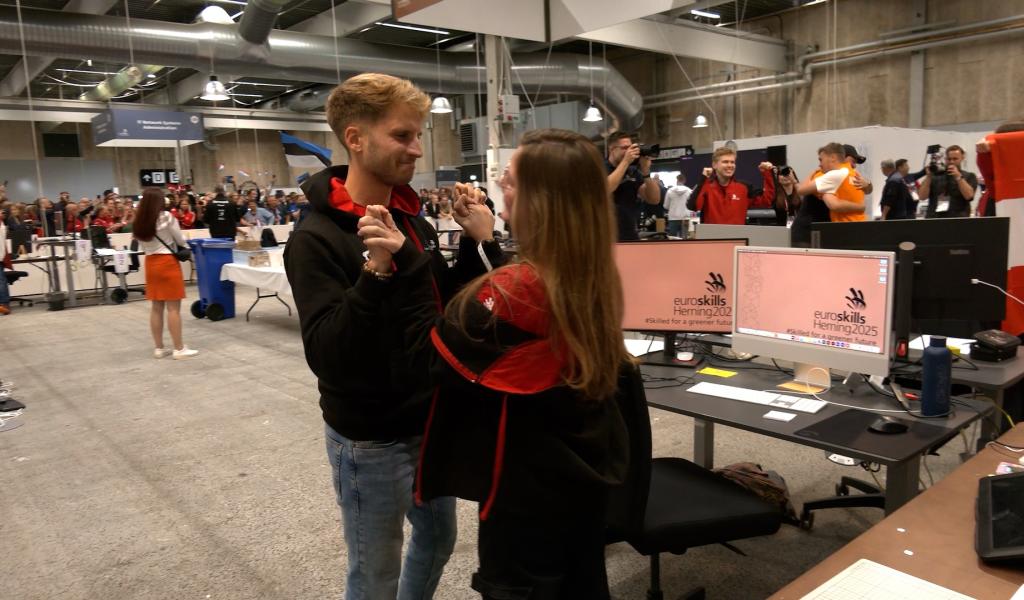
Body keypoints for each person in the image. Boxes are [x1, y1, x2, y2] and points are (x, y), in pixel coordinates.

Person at [361, 128, 633, 599]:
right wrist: (485, 243)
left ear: (541, 199)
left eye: (509, 180)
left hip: (525, 503)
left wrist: (403, 265)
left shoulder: (515, 290)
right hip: (577, 491)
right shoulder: (589, 275)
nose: (498, 187)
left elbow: (428, 355)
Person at [283, 73, 505, 600]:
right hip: (371, 437)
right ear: (356, 139)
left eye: (418, 134)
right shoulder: (316, 238)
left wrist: (480, 244)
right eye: (403, 136)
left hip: (428, 417)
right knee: (374, 571)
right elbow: (329, 354)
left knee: (438, 538)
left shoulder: (412, 220)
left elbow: (438, 308)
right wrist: (375, 273)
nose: (418, 148)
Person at [132, 187, 198, 360]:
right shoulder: (167, 217)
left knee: (156, 307)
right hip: (167, 263)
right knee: (173, 308)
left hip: (151, 263)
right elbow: (180, 240)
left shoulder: (139, 221)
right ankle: (179, 348)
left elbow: (139, 243)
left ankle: (159, 348)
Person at [687, 147, 775, 225]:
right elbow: (693, 206)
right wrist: (704, 179)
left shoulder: (744, 187)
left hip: (737, 240)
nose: (730, 165)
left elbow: (767, 200)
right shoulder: (706, 186)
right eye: (725, 162)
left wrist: (767, 174)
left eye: (732, 162)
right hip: (711, 241)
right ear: (714, 165)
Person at [605, 131, 660, 240]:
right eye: (624, 148)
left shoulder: (633, 171)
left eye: (631, 147)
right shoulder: (600, 167)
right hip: (606, 236)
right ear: (611, 149)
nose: (629, 151)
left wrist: (646, 172)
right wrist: (625, 162)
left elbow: (654, 199)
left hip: (630, 235)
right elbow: (605, 189)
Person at [919, 145, 978, 218]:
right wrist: (928, 177)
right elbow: (922, 196)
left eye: (955, 159)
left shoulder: (969, 176)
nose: (951, 162)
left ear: (962, 158)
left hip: (958, 219)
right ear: (945, 159)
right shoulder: (935, 176)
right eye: (949, 159)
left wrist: (958, 177)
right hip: (934, 219)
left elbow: (969, 196)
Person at [662, 172, 693, 237]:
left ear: (677, 180)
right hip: (685, 218)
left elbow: (666, 206)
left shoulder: (669, 191)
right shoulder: (690, 191)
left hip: (673, 218)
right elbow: (692, 206)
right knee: (684, 238)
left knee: (672, 239)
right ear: (684, 181)